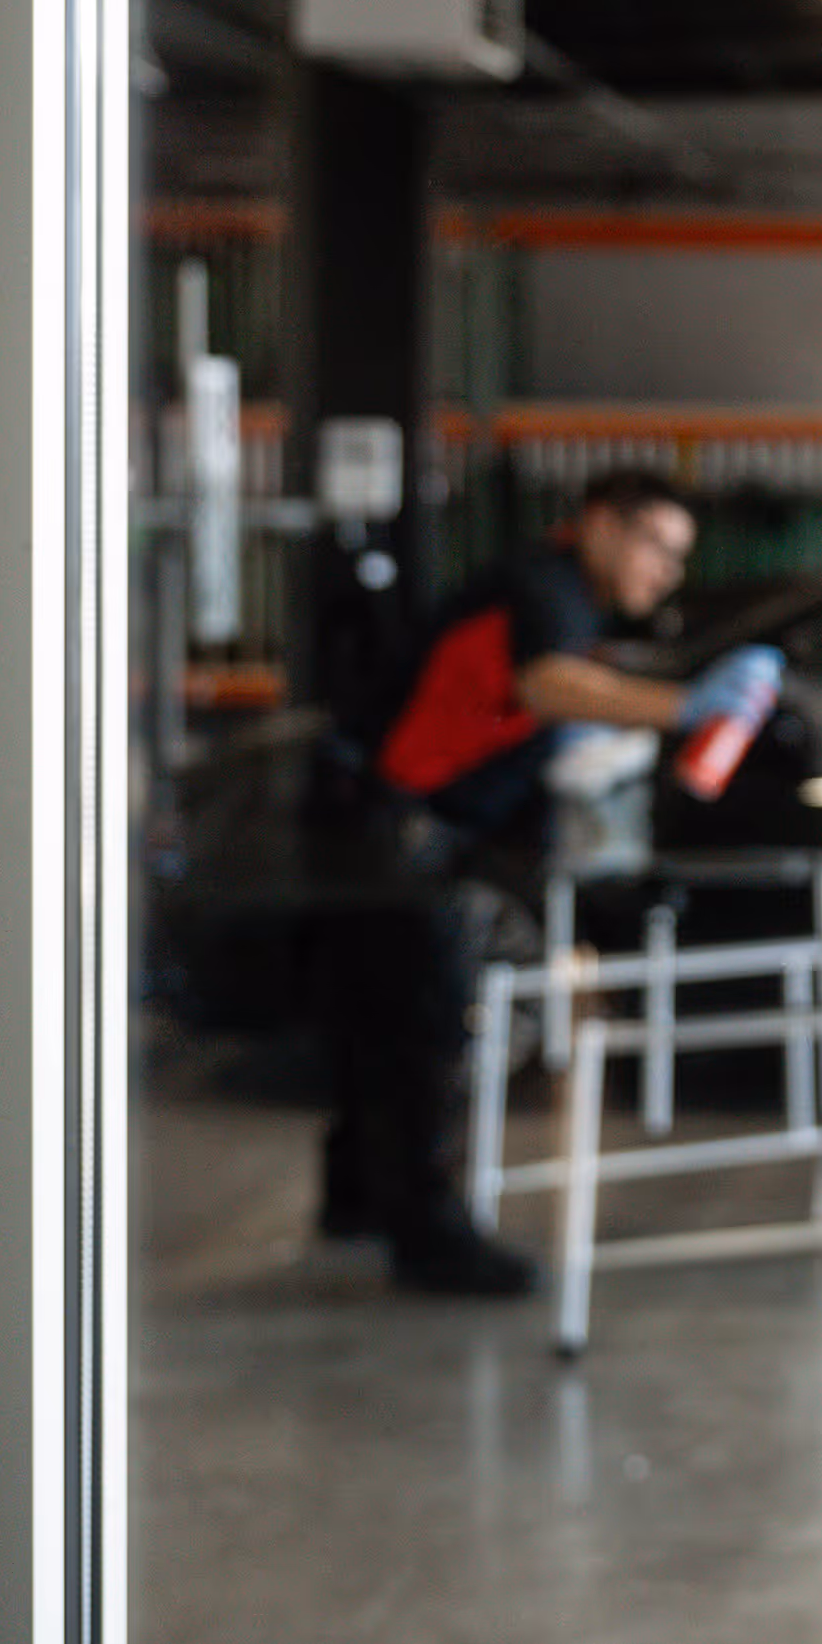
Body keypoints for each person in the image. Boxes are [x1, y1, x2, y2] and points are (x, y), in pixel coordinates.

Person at [321, 465, 711, 1296]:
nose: (665, 572)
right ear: (604, 524)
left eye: (678, 559)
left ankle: (356, 1198)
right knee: (427, 1025)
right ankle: (429, 1237)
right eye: (658, 548)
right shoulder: (547, 589)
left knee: (380, 1020)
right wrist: (685, 708)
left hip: (393, 815)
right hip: (397, 819)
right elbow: (550, 685)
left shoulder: (556, 593)